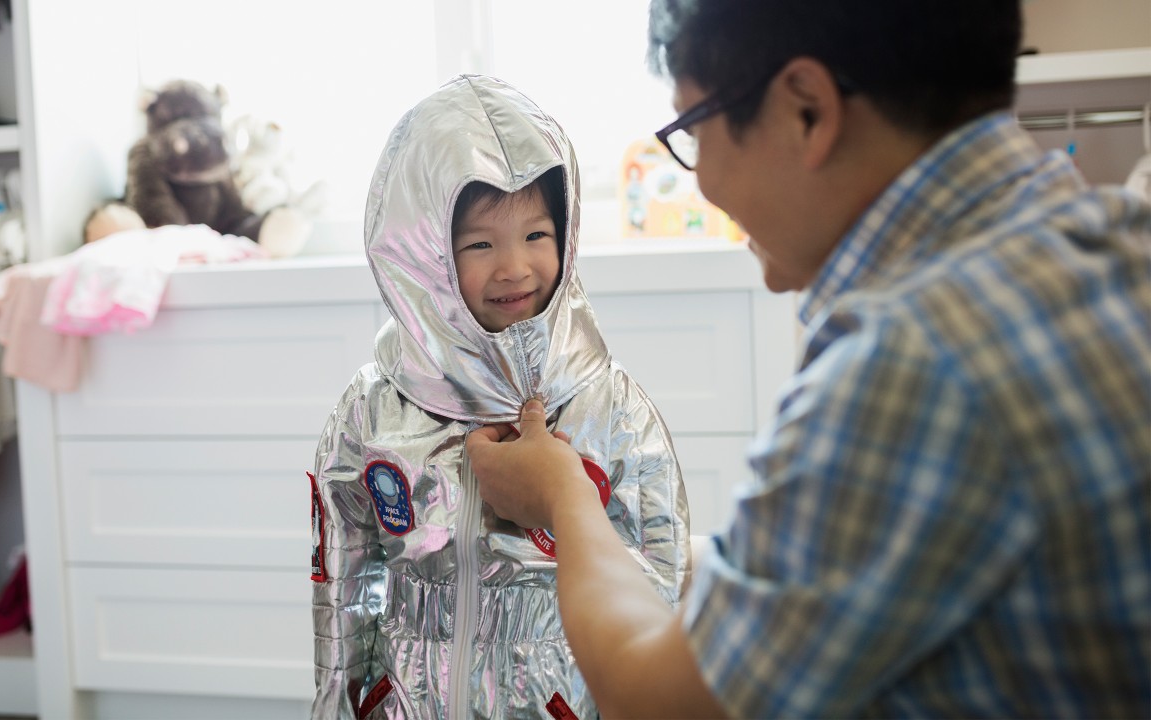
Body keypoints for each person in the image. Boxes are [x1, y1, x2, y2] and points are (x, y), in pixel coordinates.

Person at [467, 1, 1151, 718]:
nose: (700, 181)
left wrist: (561, 497)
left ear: (806, 111)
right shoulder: (1115, 238)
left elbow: (665, 702)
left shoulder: (907, 366)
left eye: (694, 131)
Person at [309, 74, 691, 719]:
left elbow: (663, 582)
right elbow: (342, 581)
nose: (514, 267)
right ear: (424, 258)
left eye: (536, 236)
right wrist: (342, 704)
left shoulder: (612, 411)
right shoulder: (372, 412)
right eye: (480, 244)